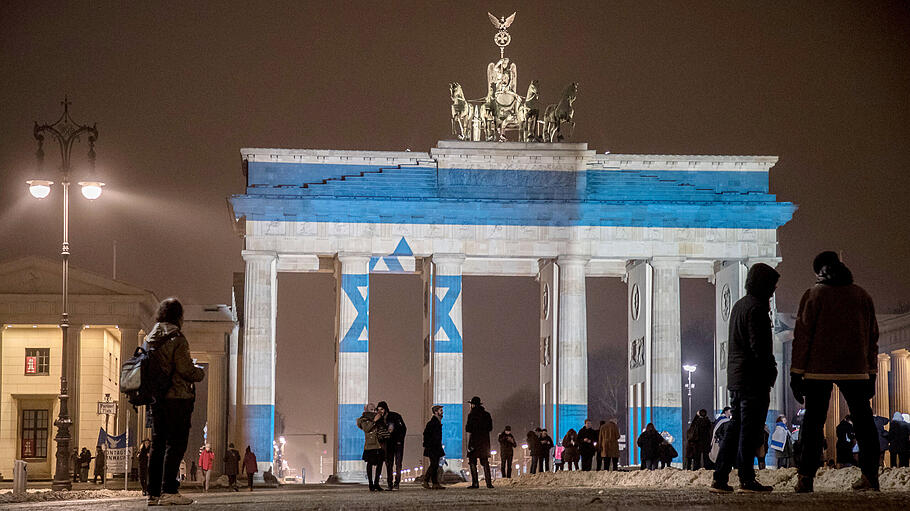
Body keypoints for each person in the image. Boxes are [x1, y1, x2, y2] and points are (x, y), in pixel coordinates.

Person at [790, 252, 880, 492]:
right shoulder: (862, 295)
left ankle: (806, 477)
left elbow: (802, 337)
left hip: (818, 370)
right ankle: (871, 476)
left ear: (819, 271)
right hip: (856, 369)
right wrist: (872, 371)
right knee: (864, 422)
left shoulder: (814, 294)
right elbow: (873, 337)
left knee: (812, 423)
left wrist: (796, 372)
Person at [711, 263, 780, 494]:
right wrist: (770, 371)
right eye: (771, 285)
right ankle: (746, 479)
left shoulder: (740, 305)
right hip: (753, 380)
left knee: (735, 428)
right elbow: (759, 347)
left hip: (738, 378)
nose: (773, 291)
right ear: (763, 284)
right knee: (750, 430)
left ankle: (720, 478)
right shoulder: (757, 309)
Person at [146, 297, 206, 506]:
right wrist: (199, 372)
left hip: (157, 398)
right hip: (177, 398)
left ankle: (153, 493)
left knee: (158, 444)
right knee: (176, 444)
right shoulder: (177, 339)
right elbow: (185, 369)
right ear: (178, 316)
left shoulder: (150, 338)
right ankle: (169, 490)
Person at [376, 401, 407, 490]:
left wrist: (400, 440)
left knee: (398, 464)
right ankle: (390, 484)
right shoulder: (379, 419)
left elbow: (403, 429)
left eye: (381, 409)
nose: (380, 411)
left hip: (397, 444)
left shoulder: (395, 416)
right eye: (378, 410)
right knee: (389, 464)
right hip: (387, 444)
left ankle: (396, 483)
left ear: (385, 409)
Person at [465, 396, 494, 488]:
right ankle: (489, 483)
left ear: (473, 405)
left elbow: (468, 428)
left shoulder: (471, 415)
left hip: (474, 441)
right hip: (484, 442)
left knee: (472, 462)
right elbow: (490, 428)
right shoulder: (487, 414)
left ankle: (475, 483)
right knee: (485, 462)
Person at [357, 402, 386, 491]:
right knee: (369, 464)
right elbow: (366, 429)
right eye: (371, 409)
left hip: (379, 444)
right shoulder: (363, 420)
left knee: (380, 464)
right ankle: (370, 484)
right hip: (370, 445)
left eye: (374, 409)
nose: (374, 411)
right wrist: (374, 421)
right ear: (366, 410)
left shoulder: (379, 418)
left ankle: (376, 483)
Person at [422, 405, 445, 490]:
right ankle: (426, 480)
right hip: (433, 447)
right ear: (436, 412)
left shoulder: (435, 422)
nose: (442, 412)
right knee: (434, 465)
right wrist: (430, 444)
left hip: (434, 446)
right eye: (440, 410)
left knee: (434, 465)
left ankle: (435, 483)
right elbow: (427, 435)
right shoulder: (433, 423)